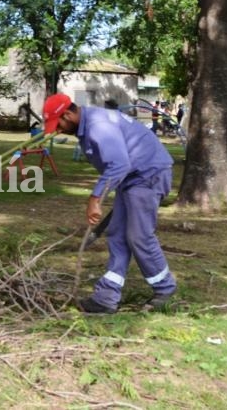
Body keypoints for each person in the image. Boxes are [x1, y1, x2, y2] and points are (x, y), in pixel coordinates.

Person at [42, 93, 177, 314]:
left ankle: (165, 288)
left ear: (68, 114)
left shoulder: (98, 126)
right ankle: (106, 297)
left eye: (59, 124)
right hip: (132, 179)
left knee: (139, 236)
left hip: (147, 175)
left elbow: (118, 164)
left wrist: (95, 199)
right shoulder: (89, 126)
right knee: (118, 235)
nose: (58, 130)